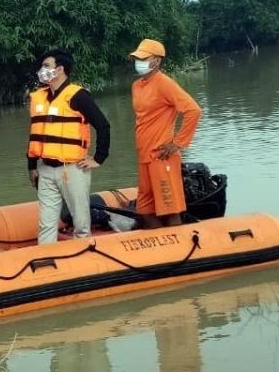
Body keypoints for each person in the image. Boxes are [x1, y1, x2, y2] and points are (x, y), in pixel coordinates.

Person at [28, 49, 111, 243]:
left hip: (72, 169)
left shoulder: (78, 96)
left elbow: (103, 126)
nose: (42, 70)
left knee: (81, 223)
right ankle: (47, 261)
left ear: (60, 69)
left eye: (46, 66)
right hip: (45, 169)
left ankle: (85, 260)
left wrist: (99, 158)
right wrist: (31, 166)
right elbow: (35, 134)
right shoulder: (38, 97)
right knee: (46, 223)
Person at [129, 39, 202, 228]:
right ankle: (161, 248)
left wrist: (178, 143)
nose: (139, 62)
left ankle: (181, 249)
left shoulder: (164, 83)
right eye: (137, 58)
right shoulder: (137, 85)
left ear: (157, 61)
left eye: (144, 58)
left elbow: (193, 110)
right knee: (144, 210)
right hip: (144, 155)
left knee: (170, 210)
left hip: (161, 155)